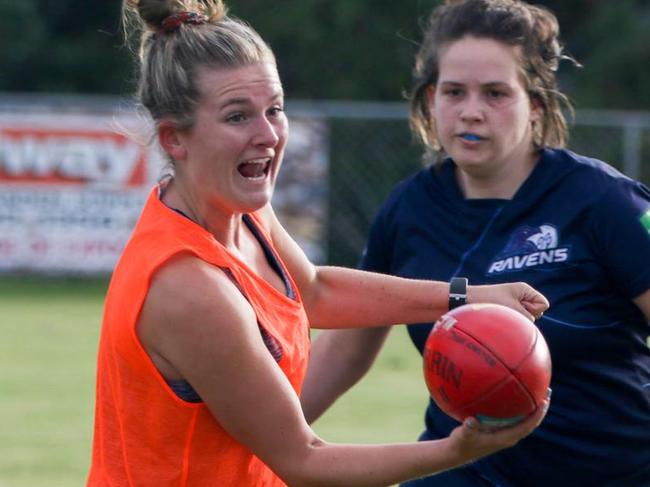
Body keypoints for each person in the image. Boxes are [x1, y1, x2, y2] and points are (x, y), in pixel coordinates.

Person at [86, 1, 551, 485]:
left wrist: (469, 297)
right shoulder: (188, 285)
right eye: (237, 117)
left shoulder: (237, 211)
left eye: (275, 110)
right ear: (174, 139)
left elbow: (314, 293)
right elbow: (303, 460)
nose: (267, 134)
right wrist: (459, 449)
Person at [302, 1, 650, 486]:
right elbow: (344, 351)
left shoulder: (607, 202)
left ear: (538, 105)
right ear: (429, 101)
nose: (471, 111)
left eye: (495, 93)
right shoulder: (407, 210)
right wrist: (250, 434)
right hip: (460, 474)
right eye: (454, 92)